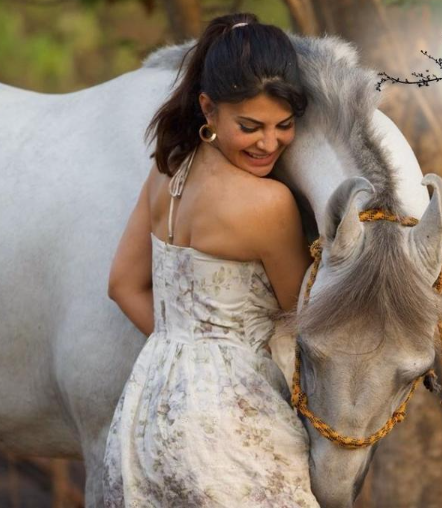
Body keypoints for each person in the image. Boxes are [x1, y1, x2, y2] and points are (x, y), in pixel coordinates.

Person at [104, 12, 319, 508]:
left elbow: (122, 285)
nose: (269, 143)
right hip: (229, 426)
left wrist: (182, 356)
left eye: (284, 125)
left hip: (147, 413)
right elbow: (301, 321)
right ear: (208, 108)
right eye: (250, 126)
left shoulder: (167, 174)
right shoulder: (269, 206)